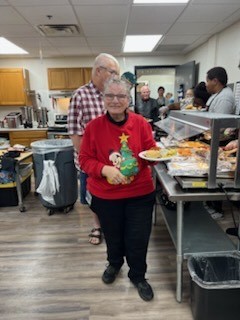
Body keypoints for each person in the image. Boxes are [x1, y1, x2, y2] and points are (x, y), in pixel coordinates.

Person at [79, 78, 156, 301]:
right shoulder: (93, 127)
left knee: (138, 238)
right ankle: (114, 264)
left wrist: (156, 155)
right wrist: (105, 170)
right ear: (103, 99)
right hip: (106, 196)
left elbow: (150, 150)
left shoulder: (141, 123)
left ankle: (138, 276)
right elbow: (84, 160)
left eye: (120, 96)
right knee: (113, 236)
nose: (115, 100)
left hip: (140, 194)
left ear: (128, 99)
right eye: (110, 96)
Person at [67, 53, 120, 245]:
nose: (116, 77)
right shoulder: (80, 95)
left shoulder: (112, 94)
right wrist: (90, 162)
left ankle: (112, 223)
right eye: (113, 72)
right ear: (99, 71)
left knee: (113, 195)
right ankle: (97, 226)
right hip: (91, 161)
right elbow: (75, 133)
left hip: (114, 159)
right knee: (95, 197)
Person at [203, 66, 236, 220]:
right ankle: (209, 203)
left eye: (207, 80)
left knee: (216, 174)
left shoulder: (224, 97)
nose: (206, 84)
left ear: (215, 81)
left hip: (221, 141)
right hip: (214, 139)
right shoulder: (218, 95)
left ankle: (217, 208)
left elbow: (220, 125)